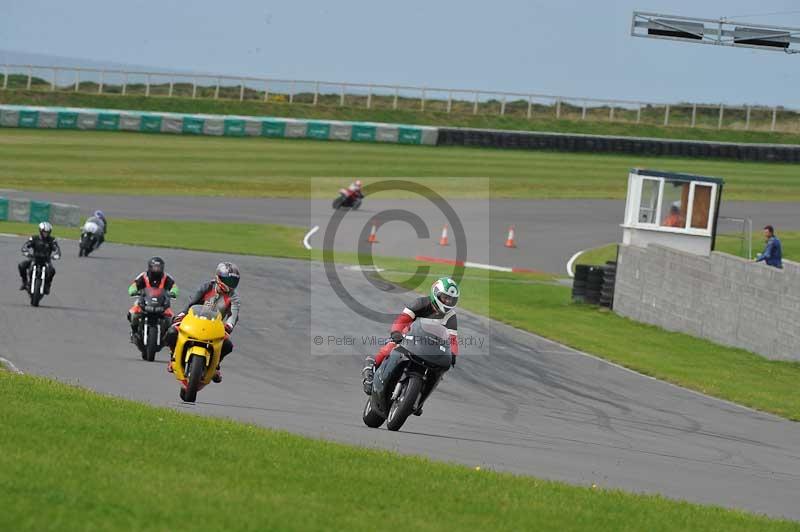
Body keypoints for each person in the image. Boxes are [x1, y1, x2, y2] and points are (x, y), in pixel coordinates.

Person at [362, 277, 460, 395]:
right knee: (391, 345)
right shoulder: (420, 303)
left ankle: (421, 397)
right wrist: (396, 332)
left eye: (451, 300)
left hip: (432, 345)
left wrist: (453, 354)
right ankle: (371, 369)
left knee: (441, 369)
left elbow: (452, 338)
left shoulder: (451, 316)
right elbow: (402, 319)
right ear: (436, 293)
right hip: (408, 336)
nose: (448, 302)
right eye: (445, 298)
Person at [164, 262, 240, 383]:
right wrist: (182, 314)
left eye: (234, 282)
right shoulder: (207, 286)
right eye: (228, 281)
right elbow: (192, 302)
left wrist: (229, 326)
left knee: (228, 345)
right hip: (195, 321)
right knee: (172, 331)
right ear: (218, 277)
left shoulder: (234, 298)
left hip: (215, 326)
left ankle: (216, 366)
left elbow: (234, 315)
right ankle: (173, 357)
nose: (231, 285)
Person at [127, 257, 180, 343]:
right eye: (155, 267)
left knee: (171, 318)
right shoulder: (144, 276)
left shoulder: (166, 277)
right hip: (144, 300)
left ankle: (166, 336)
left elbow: (174, 287)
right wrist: (133, 290)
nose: (157, 270)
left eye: (159, 267)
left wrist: (173, 292)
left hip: (161, 302)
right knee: (133, 314)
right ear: (150, 267)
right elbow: (134, 285)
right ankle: (134, 332)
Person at [18, 222, 61, 294]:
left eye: (47, 232)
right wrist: (26, 251)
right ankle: (24, 282)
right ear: (40, 231)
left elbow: (56, 249)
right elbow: (26, 245)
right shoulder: (34, 238)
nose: (45, 234)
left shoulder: (52, 240)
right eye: (44, 232)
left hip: (46, 261)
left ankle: (47, 285)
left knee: (52, 271)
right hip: (34, 259)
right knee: (21, 265)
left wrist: (56, 255)